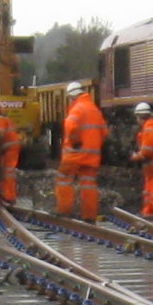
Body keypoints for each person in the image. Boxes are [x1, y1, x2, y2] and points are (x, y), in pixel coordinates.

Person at [56, 79, 105, 220]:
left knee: (64, 178)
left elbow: (70, 128)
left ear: (72, 96)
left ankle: (64, 211)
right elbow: (104, 132)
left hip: (75, 153)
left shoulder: (77, 109)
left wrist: (75, 142)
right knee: (88, 184)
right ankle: (89, 216)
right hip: (91, 155)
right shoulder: (95, 110)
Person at [0, 107, 21, 204]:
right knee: (5, 171)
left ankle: (9, 196)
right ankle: (5, 194)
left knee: (8, 172)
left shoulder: (0, 120)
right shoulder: (2, 119)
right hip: (8, 148)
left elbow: (0, 135)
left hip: (10, 148)